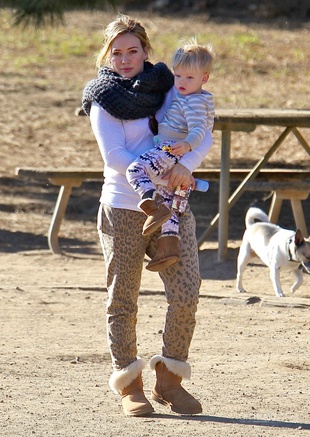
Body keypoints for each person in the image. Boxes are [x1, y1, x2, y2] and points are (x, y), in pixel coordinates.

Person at [82, 13, 214, 417]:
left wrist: (186, 166)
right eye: (117, 52)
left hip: (174, 203)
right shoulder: (102, 97)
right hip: (125, 205)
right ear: (107, 55)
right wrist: (161, 169)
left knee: (187, 290)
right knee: (123, 298)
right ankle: (129, 382)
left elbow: (203, 127)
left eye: (133, 51)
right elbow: (115, 155)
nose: (125, 59)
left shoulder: (168, 85)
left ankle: (170, 380)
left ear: (144, 52)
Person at [126, 39, 214, 272]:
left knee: (135, 170)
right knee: (171, 200)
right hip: (175, 148)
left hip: (171, 148)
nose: (181, 83)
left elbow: (199, 130)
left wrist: (186, 146)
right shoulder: (191, 97)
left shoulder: (193, 101)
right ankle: (168, 250)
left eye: (189, 78)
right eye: (178, 76)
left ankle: (152, 206)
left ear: (204, 78)